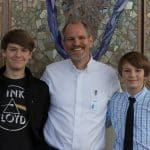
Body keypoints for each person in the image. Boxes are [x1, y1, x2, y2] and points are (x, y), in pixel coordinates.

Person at [41, 17, 120, 150]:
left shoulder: (108, 75)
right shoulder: (51, 72)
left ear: (90, 40)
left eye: (81, 37)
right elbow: (39, 109)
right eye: (70, 39)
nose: (76, 43)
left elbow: (119, 111)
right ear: (63, 42)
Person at [0, 29, 50, 150]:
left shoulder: (41, 89)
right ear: (3, 52)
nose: (18, 55)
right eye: (13, 49)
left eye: (24, 50)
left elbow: (44, 127)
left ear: (30, 55)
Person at [106, 51, 150, 149]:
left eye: (138, 70)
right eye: (127, 70)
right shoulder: (114, 100)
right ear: (121, 75)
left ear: (145, 74)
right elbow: (100, 122)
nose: (132, 75)